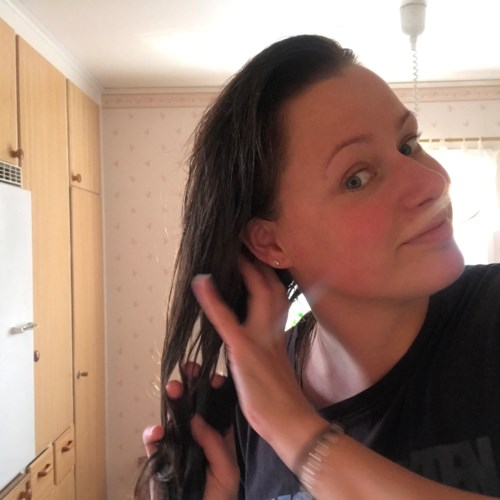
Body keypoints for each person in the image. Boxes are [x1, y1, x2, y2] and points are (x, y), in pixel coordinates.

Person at [136, 34, 500, 499]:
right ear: (270, 241)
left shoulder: (489, 323)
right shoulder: (256, 392)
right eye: (357, 178)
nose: (431, 182)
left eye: (408, 145)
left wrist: (296, 432)